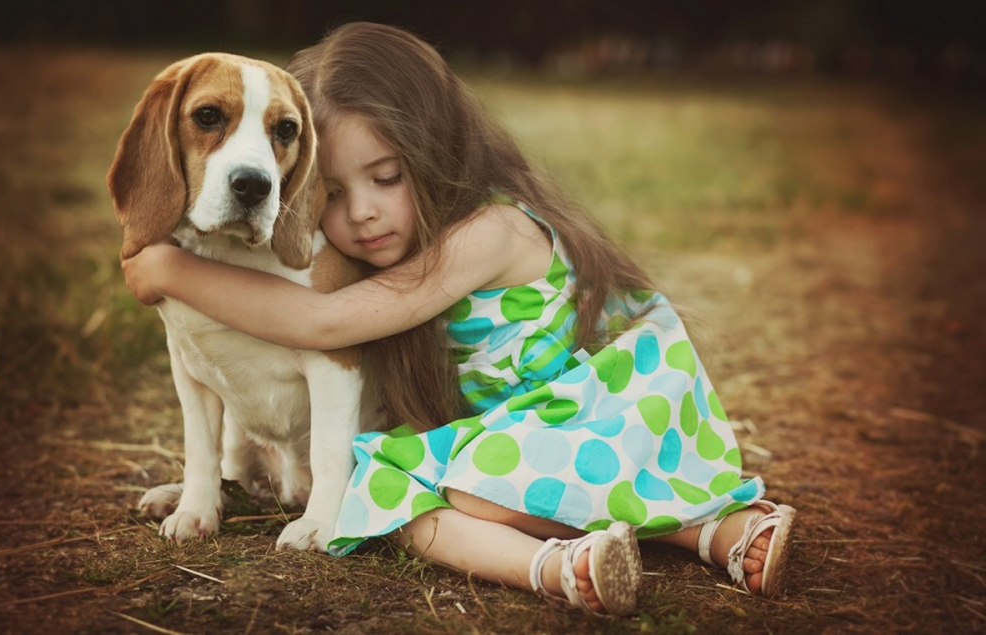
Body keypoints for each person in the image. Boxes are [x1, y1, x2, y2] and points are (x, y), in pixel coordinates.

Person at [121, 21, 796, 616]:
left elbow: (323, 325)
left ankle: (554, 568)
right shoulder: (394, 245)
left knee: (393, 491)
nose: (361, 212)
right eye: (333, 192)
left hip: (586, 421)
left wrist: (174, 270)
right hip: (529, 441)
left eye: (387, 177)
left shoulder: (489, 233)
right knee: (421, 483)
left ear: (437, 152)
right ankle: (723, 532)